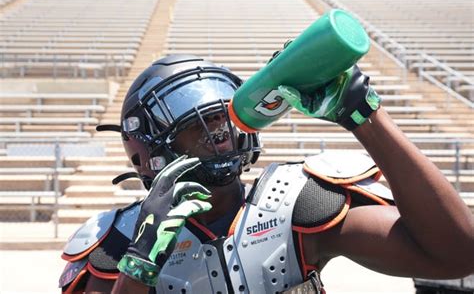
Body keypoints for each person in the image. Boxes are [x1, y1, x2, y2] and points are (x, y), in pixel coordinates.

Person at [59, 54, 474, 294]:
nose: (219, 136)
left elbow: (455, 253)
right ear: (146, 153)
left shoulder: (294, 203)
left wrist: (365, 117)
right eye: (196, 127)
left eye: (221, 122)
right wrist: (140, 260)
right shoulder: (115, 242)